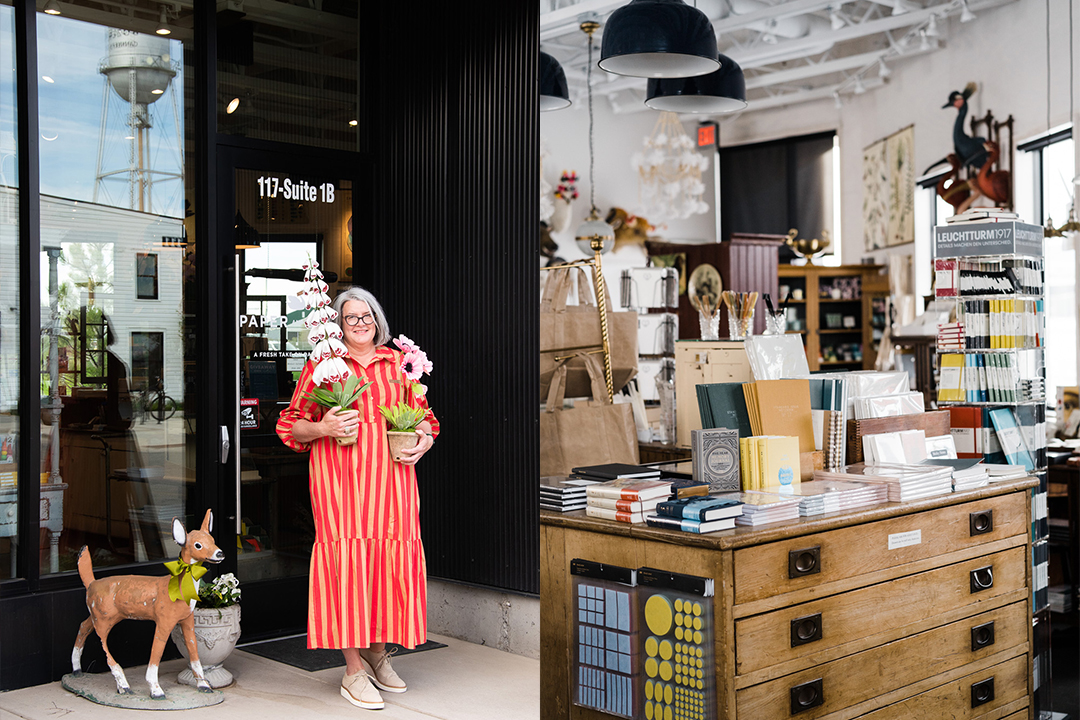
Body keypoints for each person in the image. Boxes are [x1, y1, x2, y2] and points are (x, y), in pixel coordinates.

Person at [276, 286, 438, 711]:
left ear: (377, 321)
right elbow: (290, 427)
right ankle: (352, 669)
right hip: (340, 485)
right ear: (338, 324)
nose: (361, 323)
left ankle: (377, 650)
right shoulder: (323, 366)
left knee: (386, 563)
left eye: (367, 316)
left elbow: (427, 420)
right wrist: (323, 428)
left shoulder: (399, 365)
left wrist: (423, 440)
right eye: (351, 318)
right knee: (347, 568)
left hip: (393, 484)